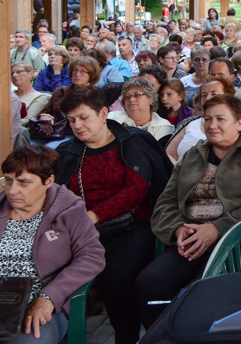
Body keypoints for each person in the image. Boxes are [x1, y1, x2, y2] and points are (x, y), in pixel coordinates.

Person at [136, 95, 241, 328]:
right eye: (207, 119)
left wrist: (217, 229)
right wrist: (177, 230)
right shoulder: (195, 155)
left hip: (237, 243)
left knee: (200, 292)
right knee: (149, 284)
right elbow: (166, 202)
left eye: (220, 119)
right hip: (190, 239)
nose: (212, 125)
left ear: (239, 123)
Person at [55, 86, 172, 344]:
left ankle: (126, 336)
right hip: (80, 228)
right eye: (72, 120)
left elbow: (138, 189)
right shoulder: (68, 152)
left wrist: (94, 215)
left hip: (130, 225)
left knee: (116, 276)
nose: (77, 126)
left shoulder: (132, 142)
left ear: (104, 113)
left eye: (84, 118)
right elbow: (57, 192)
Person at [0, 146, 105, 344]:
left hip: (37, 304)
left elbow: (92, 255)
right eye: (9, 180)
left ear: (48, 181)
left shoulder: (69, 210)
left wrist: (51, 296)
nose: (13, 190)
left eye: (24, 183)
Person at [164, 75, 237, 163]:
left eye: (214, 94)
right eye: (204, 95)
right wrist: (178, 170)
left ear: (228, 96)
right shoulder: (189, 122)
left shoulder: (236, 124)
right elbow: (169, 154)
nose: (208, 98)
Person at [36, 56, 101, 143]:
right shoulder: (59, 92)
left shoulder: (95, 95)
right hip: (53, 132)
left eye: (83, 71)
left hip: (77, 136)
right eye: (75, 70)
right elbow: (44, 111)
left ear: (91, 75)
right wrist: (43, 117)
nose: (77, 74)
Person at [107, 78, 174, 143]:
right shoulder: (112, 118)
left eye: (137, 95)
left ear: (150, 99)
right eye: (127, 96)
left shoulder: (163, 127)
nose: (131, 99)